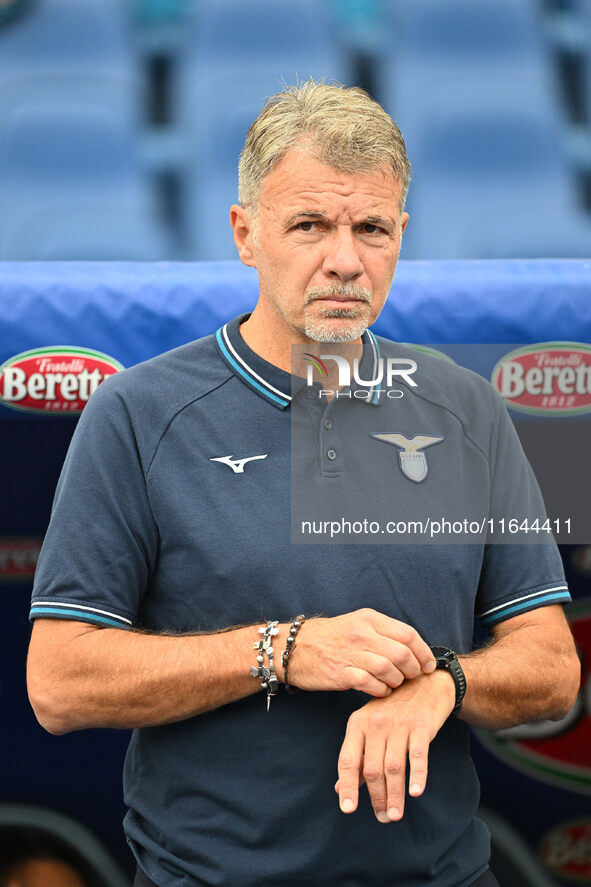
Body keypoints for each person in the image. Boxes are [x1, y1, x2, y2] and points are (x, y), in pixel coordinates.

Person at [27, 81, 580, 887]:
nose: (344, 259)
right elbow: (57, 682)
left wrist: (443, 684)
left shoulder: (467, 402)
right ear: (245, 234)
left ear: (401, 236)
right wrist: (281, 650)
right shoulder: (138, 411)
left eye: (371, 228)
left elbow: (552, 666)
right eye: (310, 225)